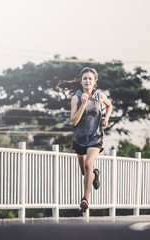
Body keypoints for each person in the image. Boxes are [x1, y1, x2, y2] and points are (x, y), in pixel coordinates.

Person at [58, 67, 112, 213]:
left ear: (95, 81)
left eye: (90, 79)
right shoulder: (76, 98)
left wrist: (106, 119)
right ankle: (95, 174)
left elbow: (109, 105)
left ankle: (85, 199)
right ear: (81, 81)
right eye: (85, 79)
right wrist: (83, 104)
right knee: (85, 171)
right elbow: (74, 122)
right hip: (80, 138)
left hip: (95, 137)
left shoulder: (100, 96)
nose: (87, 81)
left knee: (88, 164)